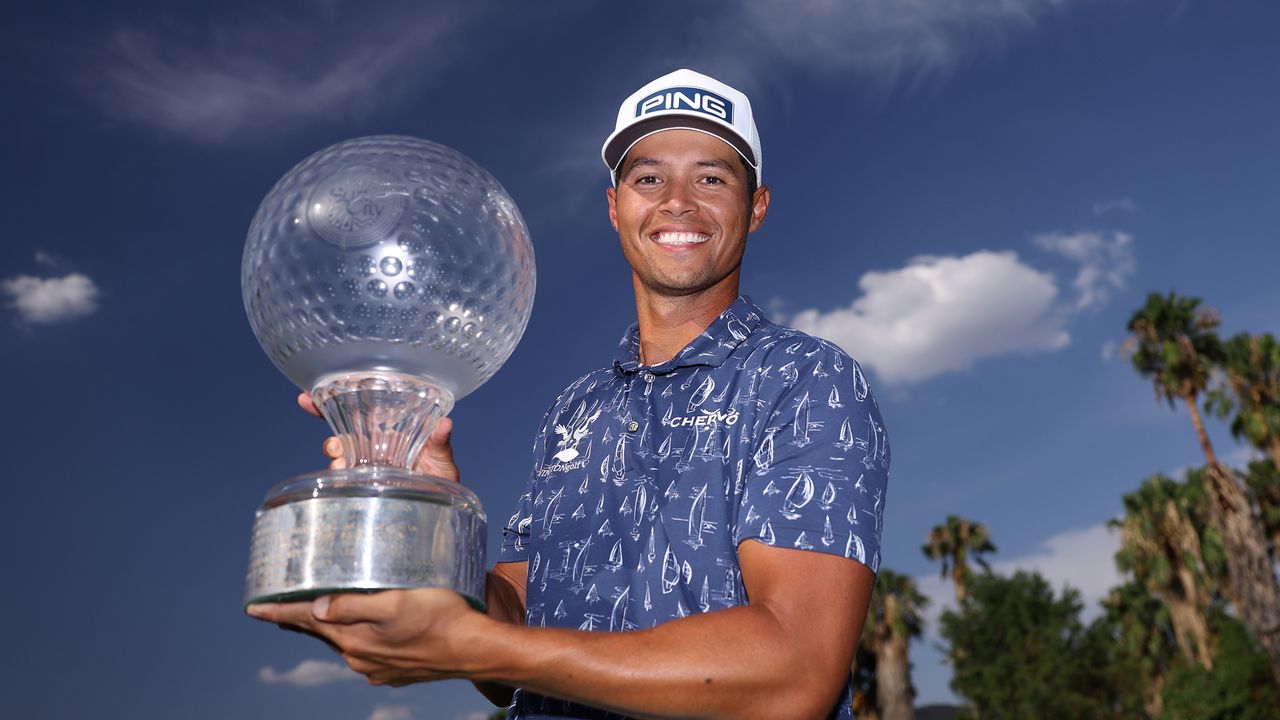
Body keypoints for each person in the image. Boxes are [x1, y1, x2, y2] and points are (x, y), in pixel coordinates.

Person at [250, 68, 890, 720]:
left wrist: (478, 649)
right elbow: (516, 628)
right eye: (648, 178)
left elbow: (795, 671)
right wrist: (433, 526)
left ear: (755, 208)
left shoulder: (806, 379)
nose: (677, 200)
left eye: (711, 177)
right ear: (615, 207)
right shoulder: (575, 409)